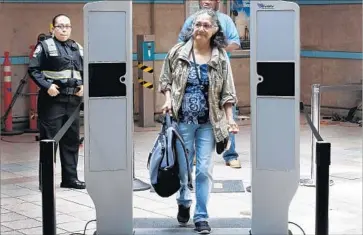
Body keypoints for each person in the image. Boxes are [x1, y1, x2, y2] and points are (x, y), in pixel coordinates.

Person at [159, 9, 239, 234]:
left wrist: (230, 120)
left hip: (209, 123)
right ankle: (184, 199)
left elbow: (228, 92)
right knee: (184, 169)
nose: (200, 29)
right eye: (197, 24)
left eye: (206, 25)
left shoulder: (220, 56)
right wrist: (168, 101)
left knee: (204, 169)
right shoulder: (177, 52)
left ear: (214, 30)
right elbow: (165, 80)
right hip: (182, 121)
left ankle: (201, 216)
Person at [178, 0, 242, 168]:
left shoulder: (225, 20)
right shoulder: (191, 20)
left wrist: (214, 48)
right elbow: (181, 44)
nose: (206, 1)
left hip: (218, 74)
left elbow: (235, 42)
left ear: (217, 1)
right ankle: (190, 154)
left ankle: (230, 154)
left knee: (227, 110)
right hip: (193, 74)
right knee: (192, 114)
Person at [28, 14, 85, 190]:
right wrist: (46, 86)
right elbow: (33, 70)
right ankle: (45, 182)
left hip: (73, 101)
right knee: (49, 142)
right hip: (52, 101)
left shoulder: (77, 47)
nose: (64, 29)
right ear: (53, 28)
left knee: (71, 141)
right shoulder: (44, 46)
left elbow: (86, 69)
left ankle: (70, 179)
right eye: (60, 26)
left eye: (67, 26)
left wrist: (84, 85)